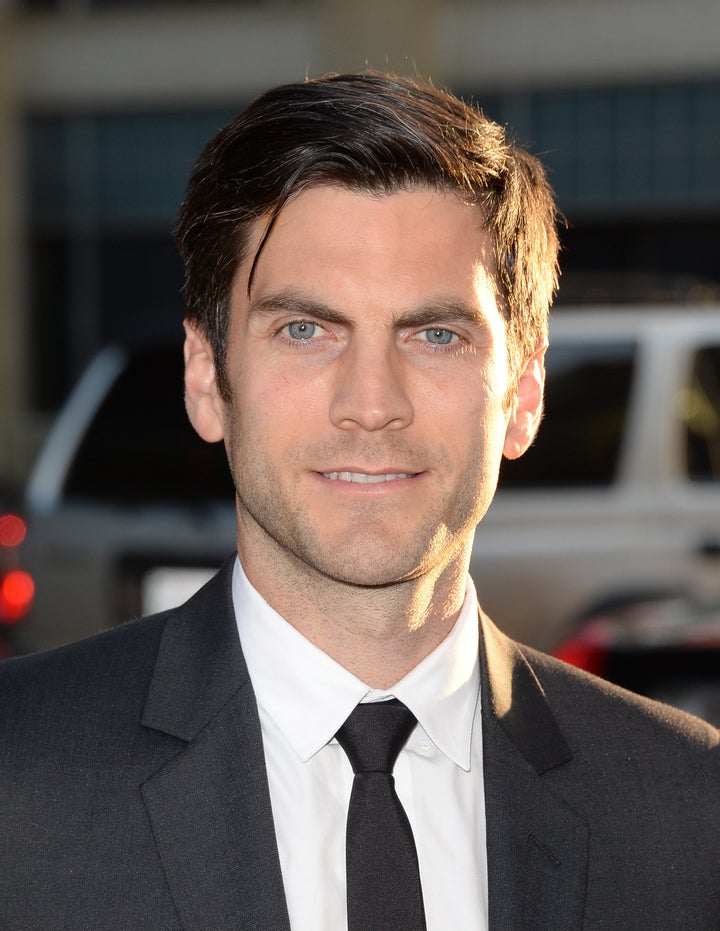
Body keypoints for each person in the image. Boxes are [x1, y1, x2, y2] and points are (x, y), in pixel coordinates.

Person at [1, 72, 719, 930]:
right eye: (305, 329)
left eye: (434, 334)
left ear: (523, 393)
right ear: (206, 378)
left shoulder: (687, 808)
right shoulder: (17, 780)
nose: (371, 401)